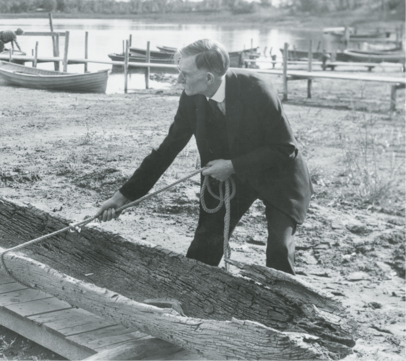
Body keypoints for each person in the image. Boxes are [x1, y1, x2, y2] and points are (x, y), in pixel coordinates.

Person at [96, 39, 312, 275]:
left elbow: (285, 149)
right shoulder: (191, 96)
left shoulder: (257, 89)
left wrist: (232, 165)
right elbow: (167, 150)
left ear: (209, 78)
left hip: (279, 175)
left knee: (279, 250)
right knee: (203, 247)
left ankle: (286, 307)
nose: (178, 80)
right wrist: (122, 197)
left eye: (185, 74)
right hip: (228, 178)